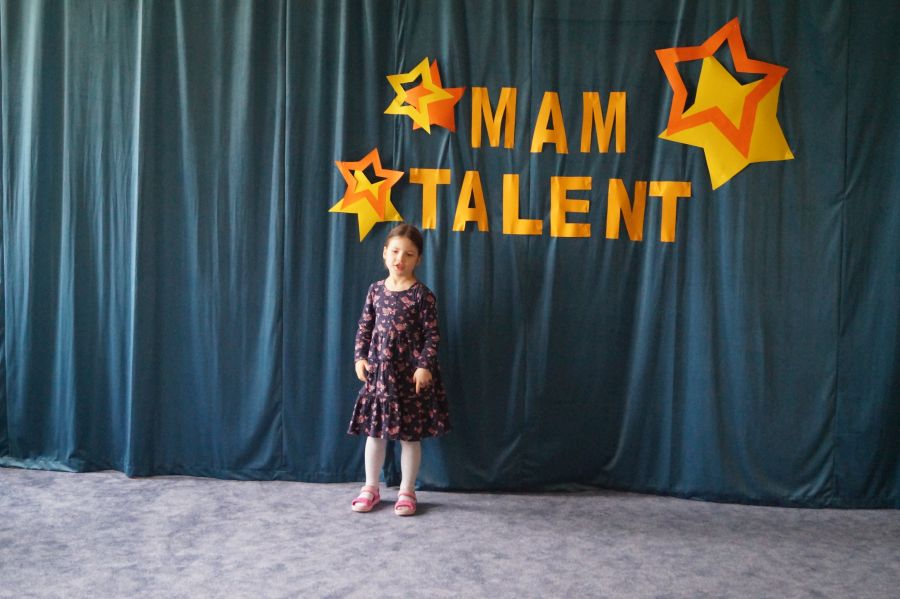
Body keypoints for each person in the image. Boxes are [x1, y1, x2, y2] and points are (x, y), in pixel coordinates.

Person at [347, 224, 451, 516]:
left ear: (418, 259)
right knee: (374, 434)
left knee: (409, 437)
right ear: (385, 253)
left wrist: (424, 366)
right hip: (380, 377)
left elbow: (432, 336)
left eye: (408, 254)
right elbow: (364, 328)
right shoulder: (375, 291)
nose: (400, 259)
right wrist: (359, 358)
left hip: (409, 378)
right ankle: (370, 487)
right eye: (394, 251)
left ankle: (407, 490)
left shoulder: (422, 295)